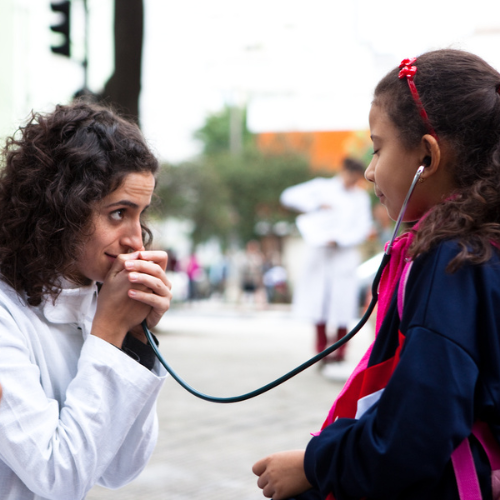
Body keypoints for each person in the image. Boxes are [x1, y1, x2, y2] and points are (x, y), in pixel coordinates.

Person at [253, 49, 500, 499]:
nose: (369, 171)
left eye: (378, 148)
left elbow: (414, 431)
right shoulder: (486, 248)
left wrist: (313, 465)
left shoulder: (451, 261)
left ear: (427, 155)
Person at [0, 101, 172, 499]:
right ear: (63, 209)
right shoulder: (8, 312)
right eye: (118, 214)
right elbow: (58, 478)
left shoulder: (92, 301)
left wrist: (135, 342)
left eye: (139, 215)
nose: (135, 238)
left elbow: (120, 468)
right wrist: (110, 332)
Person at [280, 158, 372, 365]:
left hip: (344, 254)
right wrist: (315, 205)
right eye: (351, 177)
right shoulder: (322, 188)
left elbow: (362, 228)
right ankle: (321, 350)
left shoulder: (360, 198)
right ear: (344, 171)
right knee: (319, 301)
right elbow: (287, 196)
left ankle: (340, 350)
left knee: (342, 304)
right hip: (320, 253)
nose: (353, 183)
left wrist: (340, 240)